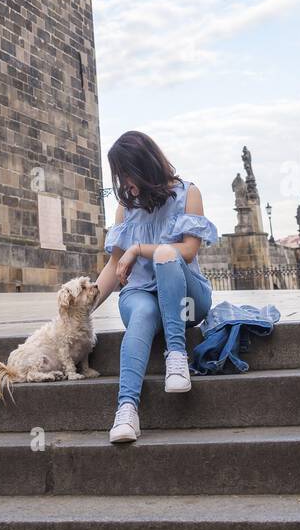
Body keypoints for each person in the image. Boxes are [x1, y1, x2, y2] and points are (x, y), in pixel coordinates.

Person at [92, 131, 218, 444]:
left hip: (186, 296)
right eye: (119, 176)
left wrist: (138, 249)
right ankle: (127, 410)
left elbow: (187, 252)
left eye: (126, 173)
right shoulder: (125, 208)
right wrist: (82, 307)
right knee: (143, 314)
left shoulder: (189, 193)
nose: (124, 183)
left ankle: (176, 354)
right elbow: (113, 266)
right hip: (140, 294)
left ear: (145, 166)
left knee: (166, 253)